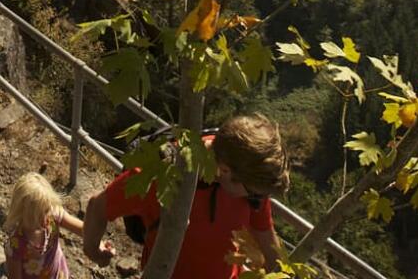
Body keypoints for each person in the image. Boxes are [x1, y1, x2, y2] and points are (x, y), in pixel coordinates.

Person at [82, 114, 289, 279]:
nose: (259, 199)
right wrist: (94, 252)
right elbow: (98, 207)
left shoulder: (251, 181)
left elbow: (266, 239)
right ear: (225, 171)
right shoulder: (162, 177)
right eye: (254, 193)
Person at [3, 173, 102, 279]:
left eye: (47, 210)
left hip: (59, 274)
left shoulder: (52, 214)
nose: (46, 217)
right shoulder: (16, 245)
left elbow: (83, 229)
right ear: (23, 213)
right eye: (39, 214)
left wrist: (99, 242)